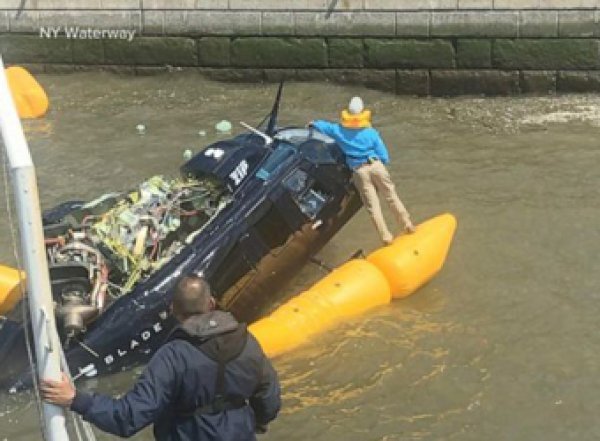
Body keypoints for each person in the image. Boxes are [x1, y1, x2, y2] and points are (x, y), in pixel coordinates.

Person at [41, 276, 281, 441]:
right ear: (211, 303)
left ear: (174, 309)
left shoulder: (172, 356)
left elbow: (128, 417)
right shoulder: (248, 343)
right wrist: (254, 422)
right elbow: (269, 400)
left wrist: (76, 399)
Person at [309, 96, 415, 245]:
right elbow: (384, 155)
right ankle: (407, 225)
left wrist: (313, 123)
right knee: (391, 196)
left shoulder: (338, 131)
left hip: (359, 171)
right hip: (376, 165)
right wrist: (380, 163)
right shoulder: (371, 132)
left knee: (373, 206)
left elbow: (323, 126)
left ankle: (386, 237)